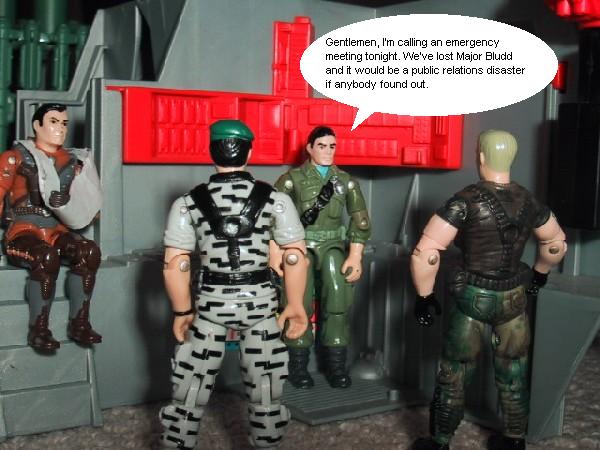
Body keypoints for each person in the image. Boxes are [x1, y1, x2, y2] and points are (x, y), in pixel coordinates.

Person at [409, 130, 567, 450]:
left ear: (480, 157)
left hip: (472, 297)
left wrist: (425, 297)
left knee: (455, 372)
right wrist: (540, 274)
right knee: (514, 370)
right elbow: (555, 244)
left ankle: (439, 442)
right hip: (514, 299)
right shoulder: (530, 201)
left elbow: (426, 253)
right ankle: (515, 439)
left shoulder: (464, 201)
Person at [159, 119, 308, 449]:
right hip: (260, 305)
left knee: (190, 387)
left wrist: (182, 310)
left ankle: (178, 441)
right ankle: (267, 442)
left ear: (210, 151)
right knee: (266, 389)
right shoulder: (276, 200)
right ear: (249, 153)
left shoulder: (187, 203)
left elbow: (176, 265)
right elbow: (294, 257)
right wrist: (296, 305)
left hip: (211, 305)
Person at [0, 103, 103, 351]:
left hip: (57, 229)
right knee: (45, 258)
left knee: (89, 251)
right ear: (37, 125)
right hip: (23, 230)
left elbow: (91, 208)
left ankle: (79, 323)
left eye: (64, 123)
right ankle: (39, 329)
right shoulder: (14, 158)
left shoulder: (73, 162)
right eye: (54, 122)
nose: (61, 129)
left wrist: (69, 202)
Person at [274, 126, 371, 389]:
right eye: (321, 146)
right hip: (300, 247)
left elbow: (360, 220)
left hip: (333, 246)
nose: (327, 151)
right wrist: (275, 253)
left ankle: (336, 367)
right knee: (297, 301)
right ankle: (297, 366)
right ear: (309, 148)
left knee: (338, 301)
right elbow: (273, 215)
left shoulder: (345, 181)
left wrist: (355, 255)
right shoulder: (292, 179)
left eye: (332, 146)